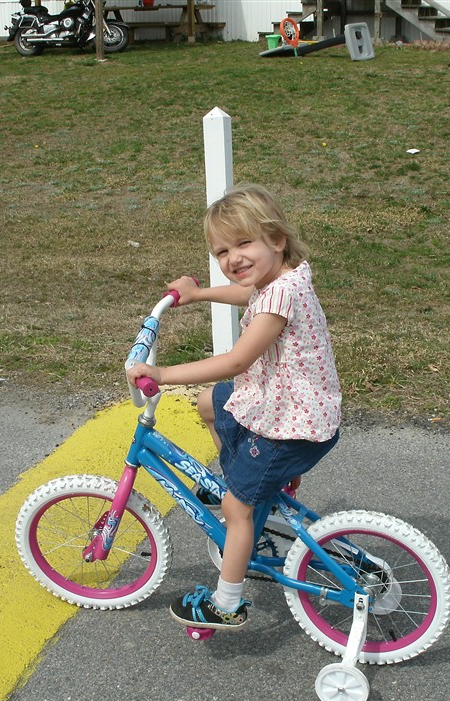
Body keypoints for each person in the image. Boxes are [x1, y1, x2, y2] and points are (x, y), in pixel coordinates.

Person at [126, 184, 342, 631]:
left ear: (276, 239)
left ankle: (226, 604)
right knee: (211, 402)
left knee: (236, 508)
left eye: (243, 243)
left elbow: (237, 361)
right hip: (285, 405)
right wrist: (198, 294)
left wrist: (161, 373)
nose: (233, 258)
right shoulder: (281, 280)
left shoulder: (280, 295)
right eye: (222, 251)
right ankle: (256, 479)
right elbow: (248, 296)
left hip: (291, 425)